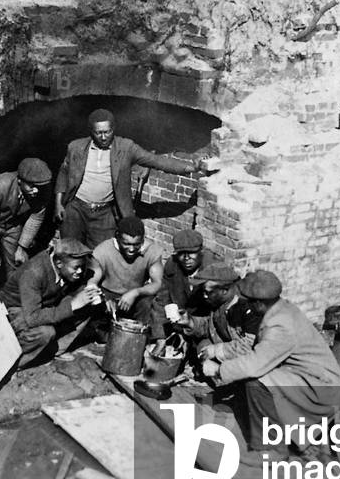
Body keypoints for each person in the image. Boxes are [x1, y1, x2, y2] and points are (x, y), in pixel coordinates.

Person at [200, 270, 340, 464]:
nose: (245, 306)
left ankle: (272, 450)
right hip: (307, 375)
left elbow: (254, 365)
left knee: (257, 382)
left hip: (320, 386)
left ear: (258, 303)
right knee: (251, 377)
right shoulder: (280, 309)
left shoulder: (279, 325)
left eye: (248, 302)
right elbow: (255, 351)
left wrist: (218, 370)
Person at [54, 108, 203, 249]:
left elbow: (157, 161)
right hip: (76, 210)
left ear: (114, 129)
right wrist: (59, 204)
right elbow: (63, 173)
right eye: (98, 133)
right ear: (91, 132)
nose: (104, 137)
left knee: (101, 255)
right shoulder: (76, 147)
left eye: (107, 132)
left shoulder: (126, 148)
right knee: (70, 251)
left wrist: (191, 168)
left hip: (104, 213)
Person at [0, 237, 103, 368]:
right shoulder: (33, 273)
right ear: (59, 264)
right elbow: (33, 318)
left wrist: (90, 289)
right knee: (45, 333)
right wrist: (72, 305)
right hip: (16, 309)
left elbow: (95, 268)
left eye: (82, 266)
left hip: (42, 304)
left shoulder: (66, 265)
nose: (80, 271)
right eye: (76, 268)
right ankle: (12, 364)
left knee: (89, 306)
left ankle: (54, 349)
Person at [0, 157, 53, 289]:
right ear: (19, 180)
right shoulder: (0, 184)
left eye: (39, 186)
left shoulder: (43, 190)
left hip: (13, 225)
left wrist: (22, 247)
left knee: (17, 264)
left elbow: (35, 218)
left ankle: (11, 301)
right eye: (32, 186)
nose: (36, 190)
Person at [87, 216, 164, 336]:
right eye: (126, 244)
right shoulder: (103, 250)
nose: (132, 249)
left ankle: (138, 336)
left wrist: (135, 292)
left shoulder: (152, 250)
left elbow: (157, 283)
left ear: (143, 239)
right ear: (117, 238)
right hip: (108, 294)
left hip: (134, 296)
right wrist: (102, 298)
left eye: (137, 244)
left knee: (148, 302)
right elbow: (92, 282)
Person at [151, 229, 218, 333]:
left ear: (201, 251)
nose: (186, 258)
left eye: (191, 253)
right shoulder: (173, 264)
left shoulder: (213, 270)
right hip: (179, 323)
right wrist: (160, 337)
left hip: (205, 328)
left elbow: (217, 314)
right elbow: (162, 300)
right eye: (181, 253)